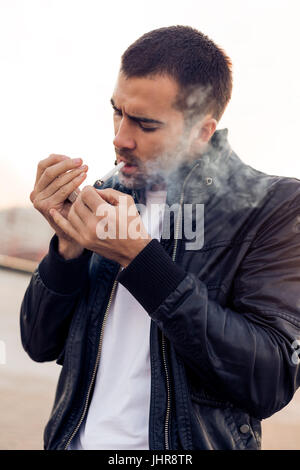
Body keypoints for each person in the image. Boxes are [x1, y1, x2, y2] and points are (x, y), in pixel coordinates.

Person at [20, 25, 300, 451]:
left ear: (202, 131)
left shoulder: (274, 206)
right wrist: (68, 249)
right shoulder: (104, 197)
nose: (119, 138)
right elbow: (39, 345)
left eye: (145, 124)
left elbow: (270, 380)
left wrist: (141, 261)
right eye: (117, 111)